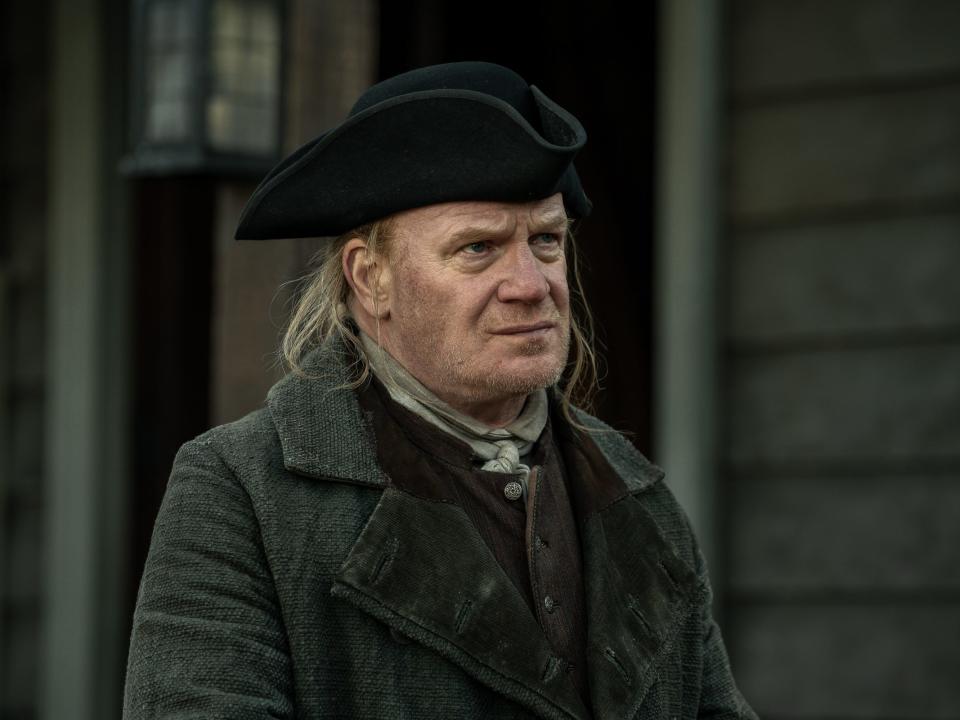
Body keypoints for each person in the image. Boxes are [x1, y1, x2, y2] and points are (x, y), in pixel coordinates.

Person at [122, 61, 756, 720]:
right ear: (371, 278)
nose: (531, 284)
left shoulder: (639, 499)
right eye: (478, 249)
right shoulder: (241, 493)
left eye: (546, 241)